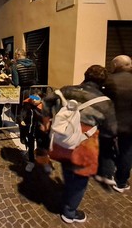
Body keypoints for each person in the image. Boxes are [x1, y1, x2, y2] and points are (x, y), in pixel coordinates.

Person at [42, 65, 117, 224]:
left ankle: (68, 190)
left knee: (67, 166)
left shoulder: (66, 90)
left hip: (63, 140)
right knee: (80, 178)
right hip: (85, 144)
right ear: (103, 82)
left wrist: (47, 120)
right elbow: (110, 130)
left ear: (85, 75)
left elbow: (46, 102)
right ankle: (69, 213)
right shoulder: (105, 102)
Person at [103, 55, 132, 193]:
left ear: (115, 66)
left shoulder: (109, 81)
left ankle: (108, 175)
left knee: (107, 148)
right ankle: (121, 182)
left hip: (112, 123)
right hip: (130, 125)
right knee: (127, 151)